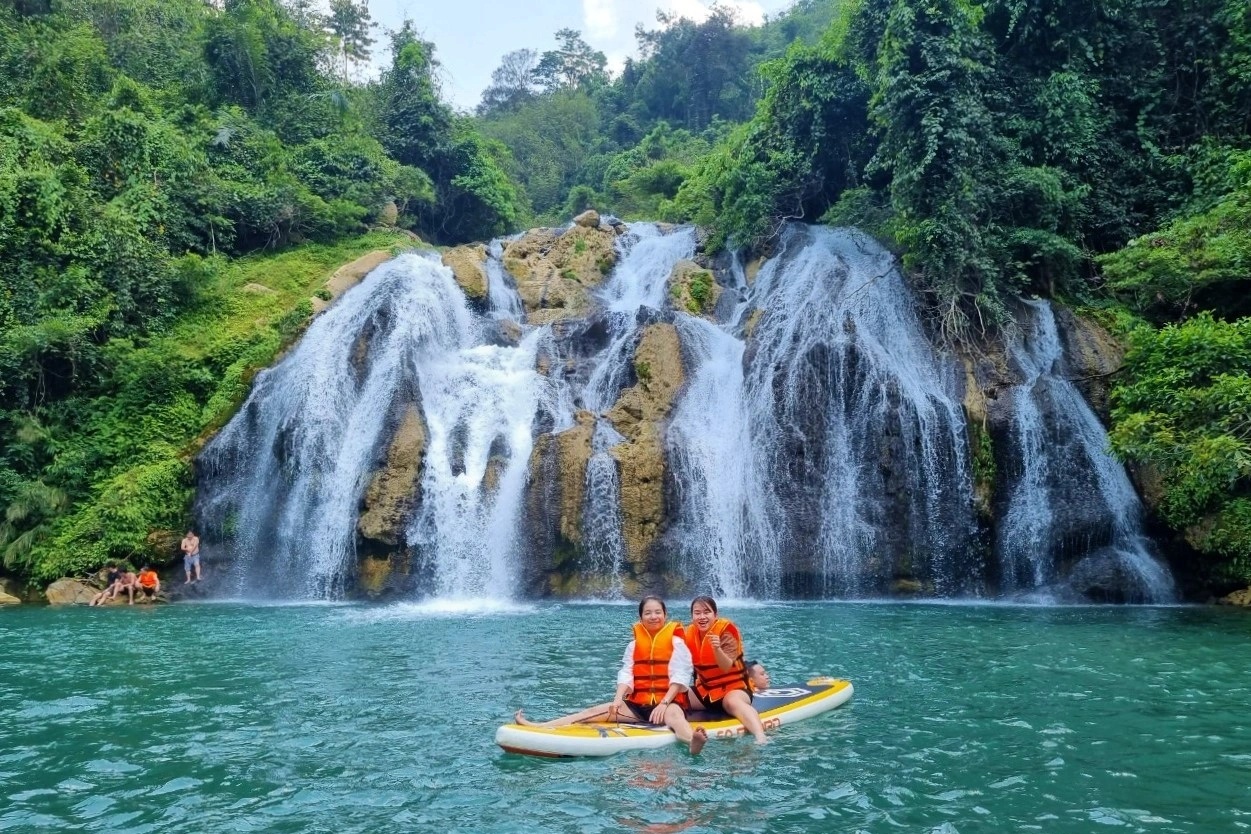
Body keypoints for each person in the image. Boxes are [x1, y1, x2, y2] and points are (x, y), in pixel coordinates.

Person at [515, 596, 708, 755]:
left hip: (666, 704)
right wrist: (617, 700)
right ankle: (541, 726)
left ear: (665, 615)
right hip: (637, 707)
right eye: (647, 613)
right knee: (592, 712)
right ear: (641, 618)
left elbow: (681, 675)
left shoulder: (677, 643)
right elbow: (626, 673)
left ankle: (693, 742)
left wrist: (664, 703)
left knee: (675, 716)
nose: (653, 616)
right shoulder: (633, 645)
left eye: (657, 612)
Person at [684, 595, 769, 744]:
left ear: (715, 615)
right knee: (676, 695)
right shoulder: (688, 634)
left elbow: (726, 666)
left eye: (707, 612)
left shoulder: (727, 631)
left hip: (734, 688)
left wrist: (717, 648)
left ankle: (761, 737)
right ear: (692, 616)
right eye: (697, 613)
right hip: (706, 691)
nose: (702, 616)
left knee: (732, 702)